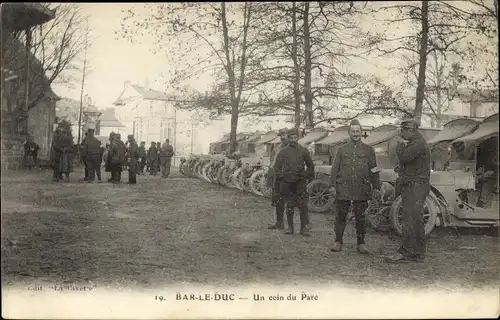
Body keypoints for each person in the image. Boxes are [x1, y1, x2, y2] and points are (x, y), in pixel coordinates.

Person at [329, 119, 381, 254]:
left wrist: (376, 187)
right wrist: (332, 186)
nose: (356, 134)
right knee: (341, 215)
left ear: (361, 132)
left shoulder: (369, 150)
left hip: (361, 187)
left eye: (358, 131)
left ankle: (361, 243)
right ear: (349, 133)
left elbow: (374, 169)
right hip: (344, 187)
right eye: (353, 131)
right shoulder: (341, 150)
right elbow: (335, 169)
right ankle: (338, 241)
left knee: (361, 216)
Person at [384, 119, 431, 263]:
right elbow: (410, 162)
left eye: (403, 131)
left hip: (414, 187)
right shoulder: (417, 143)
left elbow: (404, 157)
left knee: (410, 220)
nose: (401, 134)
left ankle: (406, 251)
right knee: (415, 220)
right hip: (416, 185)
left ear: (410, 130)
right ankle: (417, 253)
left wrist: (399, 145)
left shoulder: (418, 144)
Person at [273, 128, 315, 236]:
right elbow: (276, 167)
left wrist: (306, 175)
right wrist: (281, 176)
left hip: (300, 182)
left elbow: (310, 165)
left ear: (298, 138)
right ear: (289, 138)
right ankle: (290, 227)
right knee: (290, 205)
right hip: (287, 182)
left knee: (303, 205)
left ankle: (303, 228)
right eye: (291, 137)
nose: (293, 140)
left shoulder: (303, 151)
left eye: (295, 137)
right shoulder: (283, 152)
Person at [267, 128, 289, 230]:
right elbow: (272, 161)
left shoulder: (292, 148)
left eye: (284, 135)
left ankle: (293, 226)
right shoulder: (277, 147)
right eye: (281, 135)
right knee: (277, 200)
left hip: (287, 177)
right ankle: (279, 223)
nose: (282, 137)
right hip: (276, 175)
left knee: (290, 201)